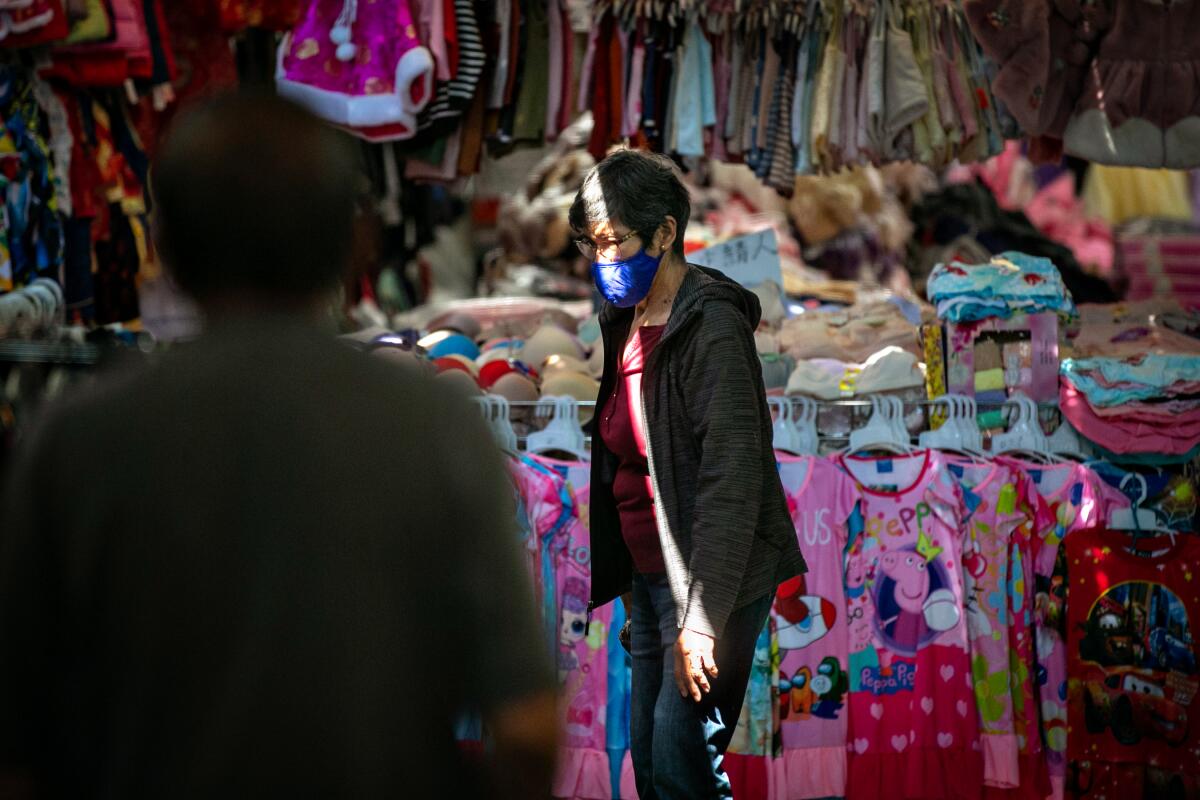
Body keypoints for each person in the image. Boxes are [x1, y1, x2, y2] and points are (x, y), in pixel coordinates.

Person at [0, 92, 557, 799]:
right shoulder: (430, 427)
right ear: (356, 243)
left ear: (166, 248)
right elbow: (529, 725)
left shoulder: (76, 440)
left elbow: (18, 745)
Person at [571, 149, 806, 799]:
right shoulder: (625, 314)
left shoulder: (712, 326)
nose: (604, 259)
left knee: (681, 759)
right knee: (650, 760)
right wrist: (632, 591)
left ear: (666, 233)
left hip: (711, 579)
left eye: (615, 241)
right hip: (649, 584)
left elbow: (732, 480)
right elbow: (627, 455)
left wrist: (699, 622)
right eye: (594, 246)